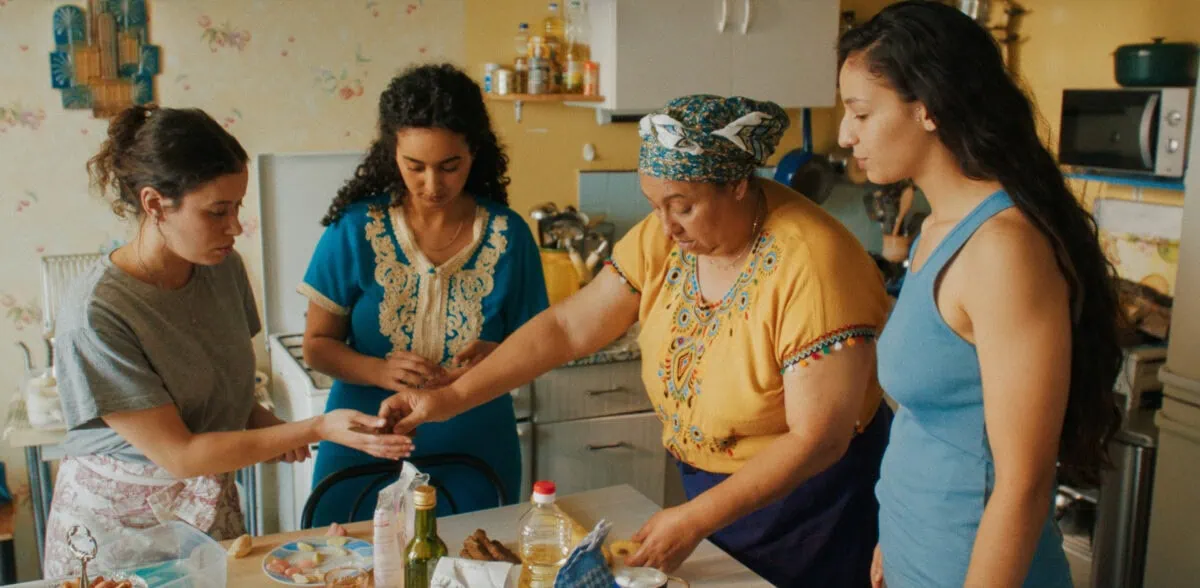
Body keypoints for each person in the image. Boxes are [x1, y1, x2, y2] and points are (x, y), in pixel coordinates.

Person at [377, 94, 894, 586]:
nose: (665, 227)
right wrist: (447, 398)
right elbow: (566, 328)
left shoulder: (815, 264)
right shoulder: (666, 236)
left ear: (737, 184)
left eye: (682, 207)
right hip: (714, 498)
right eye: (654, 204)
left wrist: (694, 520)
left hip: (813, 510)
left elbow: (819, 438)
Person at [44, 104, 411, 577]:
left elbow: (225, 393)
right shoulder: (98, 312)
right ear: (155, 204)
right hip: (116, 531)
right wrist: (313, 428)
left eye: (237, 206)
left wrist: (269, 429)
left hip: (202, 511)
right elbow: (179, 454)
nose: (235, 227)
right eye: (217, 211)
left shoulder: (222, 268)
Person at [836, 3, 1123, 587]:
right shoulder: (934, 231)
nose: (846, 134)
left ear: (928, 109)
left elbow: (1023, 481)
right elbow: (936, 422)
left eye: (861, 113)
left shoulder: (1001, 251)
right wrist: (896, 537)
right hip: (920, 550)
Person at [299, 63, 548, 525]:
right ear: (391, 153)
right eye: (415, 166)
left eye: (449, 166)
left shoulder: (509, 236)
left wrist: (496, 354)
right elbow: (316, 346)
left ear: (474, 152)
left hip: (476, 441)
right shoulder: (356, 229)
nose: (432, 185)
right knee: (344, 562)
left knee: (474, 562)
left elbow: (540, 345)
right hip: (367, 437)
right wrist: (377, 369)